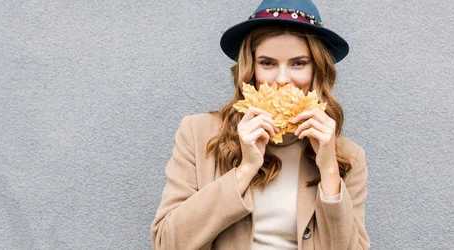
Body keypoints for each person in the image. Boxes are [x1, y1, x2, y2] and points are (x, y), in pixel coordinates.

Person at [150, 0, 370, 249]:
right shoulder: (198, 133)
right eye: (267, 63)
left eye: (298, 63)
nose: (282, 79)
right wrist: (245, 169)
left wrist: (329, 171)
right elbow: (167, 242)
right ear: (250, 69)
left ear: (317, 71)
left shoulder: (348, 156)